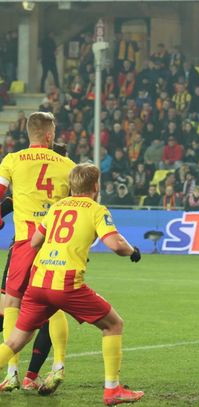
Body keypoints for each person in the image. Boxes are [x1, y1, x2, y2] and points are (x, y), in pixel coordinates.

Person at [0, 163, 144, 405]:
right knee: (114, 324)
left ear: (71, 185)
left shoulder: (57, 207)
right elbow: (116, 244)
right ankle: (112, 390)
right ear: (96, 186)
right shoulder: (96, 209)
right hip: (66, 284)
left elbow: (35, 242)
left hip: (38, 283)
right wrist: (132, 251)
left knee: (14, 341)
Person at [0, 112, 75, 392]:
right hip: (55, 243)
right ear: (49, 135)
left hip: (24, 242)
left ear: (28, 133)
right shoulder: (68, 165)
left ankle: (12, 373)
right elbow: (79, 205)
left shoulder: (12, 160)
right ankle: (58, 366)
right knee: (53, 305)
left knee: (11, 304)